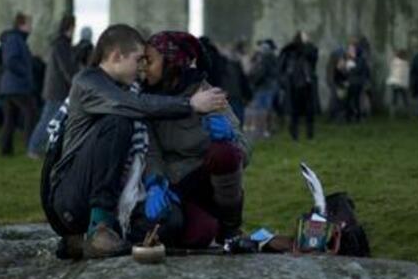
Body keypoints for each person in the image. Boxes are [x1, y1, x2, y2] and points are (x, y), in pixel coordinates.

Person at [44, 24, 228, 259]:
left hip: (117, 195)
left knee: (171, 221)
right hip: (73, 197)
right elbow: (131, 105)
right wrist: (190, 105)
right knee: (118, 121)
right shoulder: (88, 82)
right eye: (137, 59)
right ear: (117, 56)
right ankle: (99, 228)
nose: (141, 66)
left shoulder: (128, 89)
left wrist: (154, 183)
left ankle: (82, 243)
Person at [140, 31, 251, 247]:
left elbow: (245, 151)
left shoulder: (206, 93)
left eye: (150, 61)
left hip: (208, 183)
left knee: (225, 152)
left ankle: (230, 226)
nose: (144, 67)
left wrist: (230, 137)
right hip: (175, 186)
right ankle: (209, 223)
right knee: (200, 235)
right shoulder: (147, 99)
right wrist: (155, 182)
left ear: (172, 62)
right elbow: (151, 151)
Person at [29, 15, 76, 156]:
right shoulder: (61, 44)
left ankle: (41, 147)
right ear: (71, 27)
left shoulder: (61, 43)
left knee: (52, 120)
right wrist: (75, 81)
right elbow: (66, 68)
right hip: (57, 90)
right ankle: (34, 148)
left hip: (56, 89)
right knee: (47, 121)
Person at [0, 12, 39, 157]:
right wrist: (26, 73)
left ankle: (6, 150)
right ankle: (30, 146)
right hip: (17, 85)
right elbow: (11, 60)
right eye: (29, 24)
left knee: (10, 118)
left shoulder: (16, 39)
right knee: (31, 112)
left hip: (11, 86)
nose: (31, 27)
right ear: (22, 25)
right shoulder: (15, 39)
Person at [278, 31, 318, 140]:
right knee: (294, 113)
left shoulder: (309, 50)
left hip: (306, 85)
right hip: (293, 86)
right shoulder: (289, 51)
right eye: (304, 35)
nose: (307, 37)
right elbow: (281, 67)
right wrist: (284, 81)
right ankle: (294, 135)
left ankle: (310, 135)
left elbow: (314, 55)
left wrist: (308, 43)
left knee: (309, 112)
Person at [386, 49, 411, 118]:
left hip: (394, 82)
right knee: (405, 99)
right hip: (401, 83)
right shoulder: (404, 63)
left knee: (394, 99)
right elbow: (405, 74)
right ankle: (408, 114)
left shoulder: (393, 62)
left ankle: (392, 115)